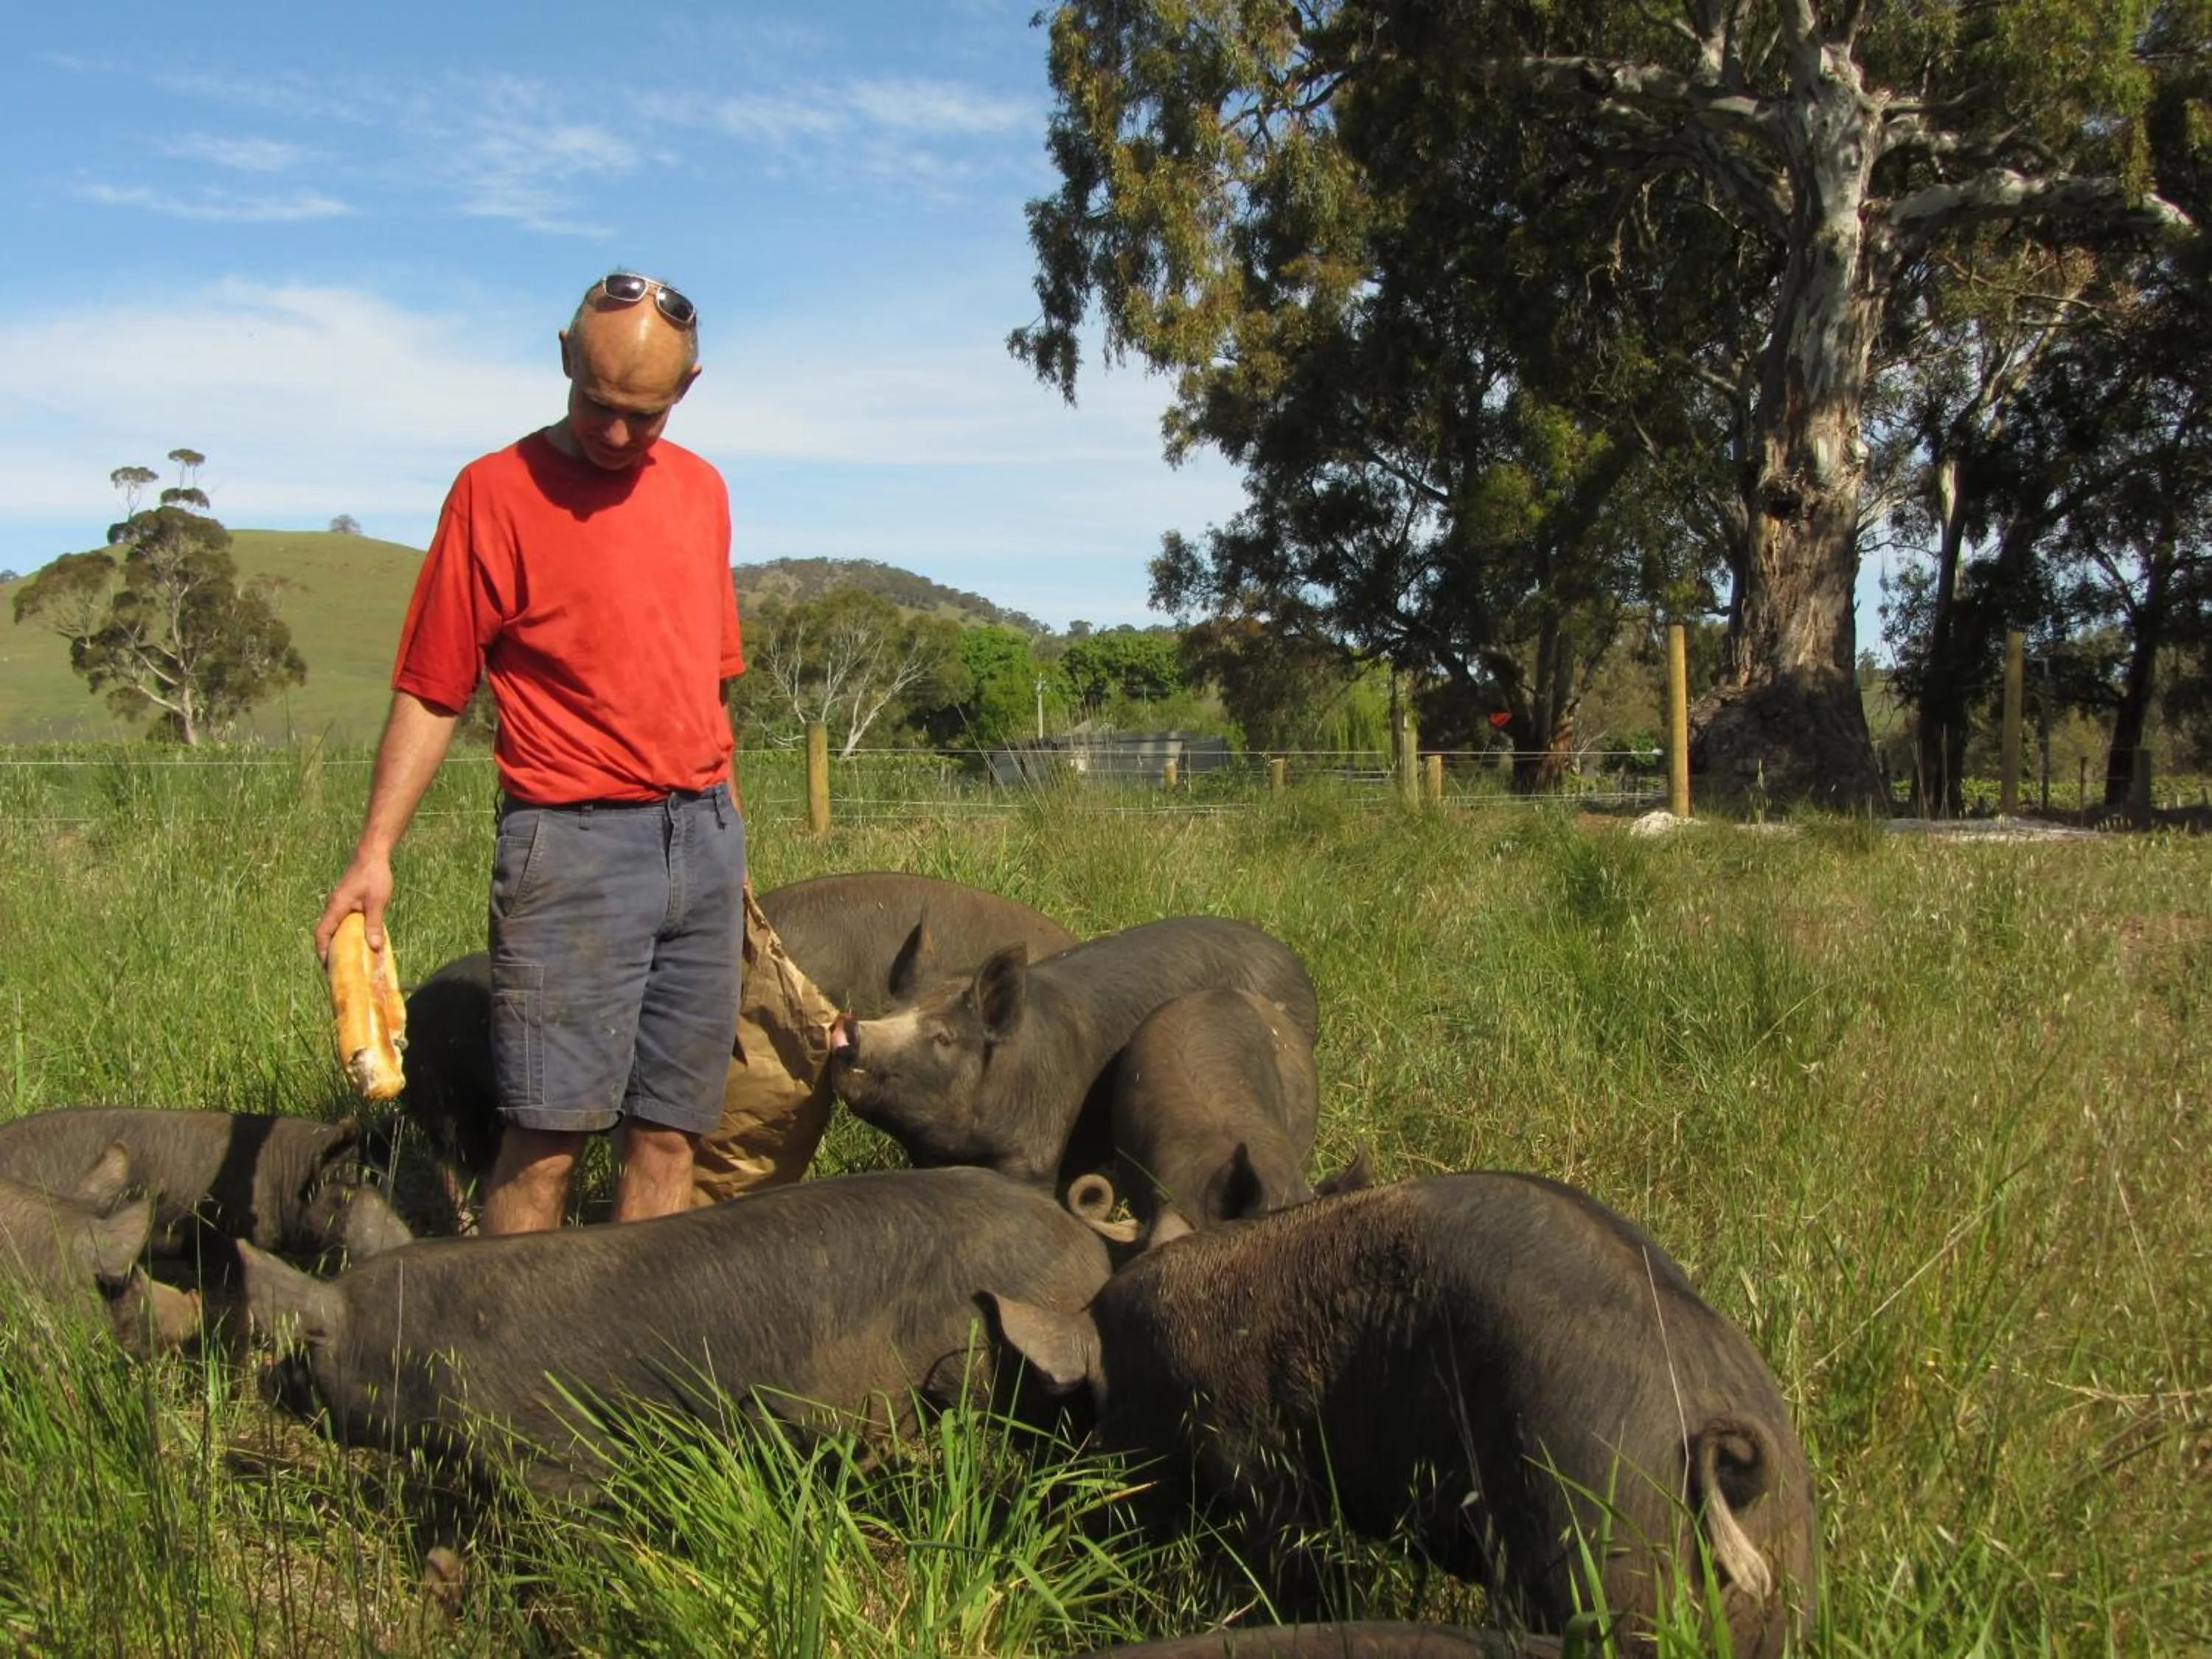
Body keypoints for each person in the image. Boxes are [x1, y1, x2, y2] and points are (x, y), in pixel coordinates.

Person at [315, 271, 745, 1234]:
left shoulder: (703, 492)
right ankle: (510, 1378)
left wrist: (729, 841)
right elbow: (434, 686)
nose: (620, 434)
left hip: (704, 841)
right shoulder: (493, 495)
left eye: (647, 413)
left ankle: (634, 1368)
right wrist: (373, 852)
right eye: (599, 403)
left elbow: (708, 687)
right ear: (562, 356)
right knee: (547, 1139)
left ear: (690, 388)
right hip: (574, 848)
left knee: (669, 1137)